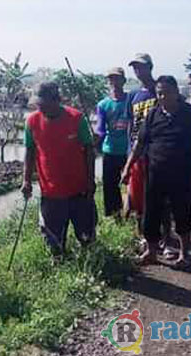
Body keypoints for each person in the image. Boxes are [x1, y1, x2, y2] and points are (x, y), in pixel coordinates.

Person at [121, 76, 191, 267]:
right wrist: (128, 167)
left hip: (182, 174)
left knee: (182, 214)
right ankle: (151, 252)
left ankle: (184, 254)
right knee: (151, 213)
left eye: (167, 92)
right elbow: (140, 143)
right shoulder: (153, 114)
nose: (162, 96)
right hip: (155, 173)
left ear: (176, 92)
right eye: (159, 93)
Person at [22, 82, 97, 256]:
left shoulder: (76, 118)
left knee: (86, 235)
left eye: (43, 103)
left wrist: (90, 181)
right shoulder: (32, 121)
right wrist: (26, 180)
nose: (40, 107)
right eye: (38, 104)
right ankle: (59, 263)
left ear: (56, 100)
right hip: (50, 191)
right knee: (53, 238)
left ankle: (91, 263)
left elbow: (89, 151)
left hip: (79, 189)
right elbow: (30, 151)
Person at [124, 53, 157, 220]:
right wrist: (129, 152)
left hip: (156, 152)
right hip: (137, 152)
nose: (138, 70)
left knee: (157, 195)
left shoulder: (160, 90)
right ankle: (143, 234)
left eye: (141, 66)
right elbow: (130, 123)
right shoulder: (133, 95)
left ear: (150, 67)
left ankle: (164, 235)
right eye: (135, 67)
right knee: (137, 195)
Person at [96, 67, 130, 217]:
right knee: (110, 186)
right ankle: (114, 216)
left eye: (117, 78)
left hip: (128, 151)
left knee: (131, 184)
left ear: (124, 80)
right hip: (110, 150)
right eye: (111, 79)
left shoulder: (131, 100)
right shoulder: (103, 105)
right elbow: (100, 128)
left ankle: (133, 214)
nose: (114, 82)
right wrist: (96, 138)